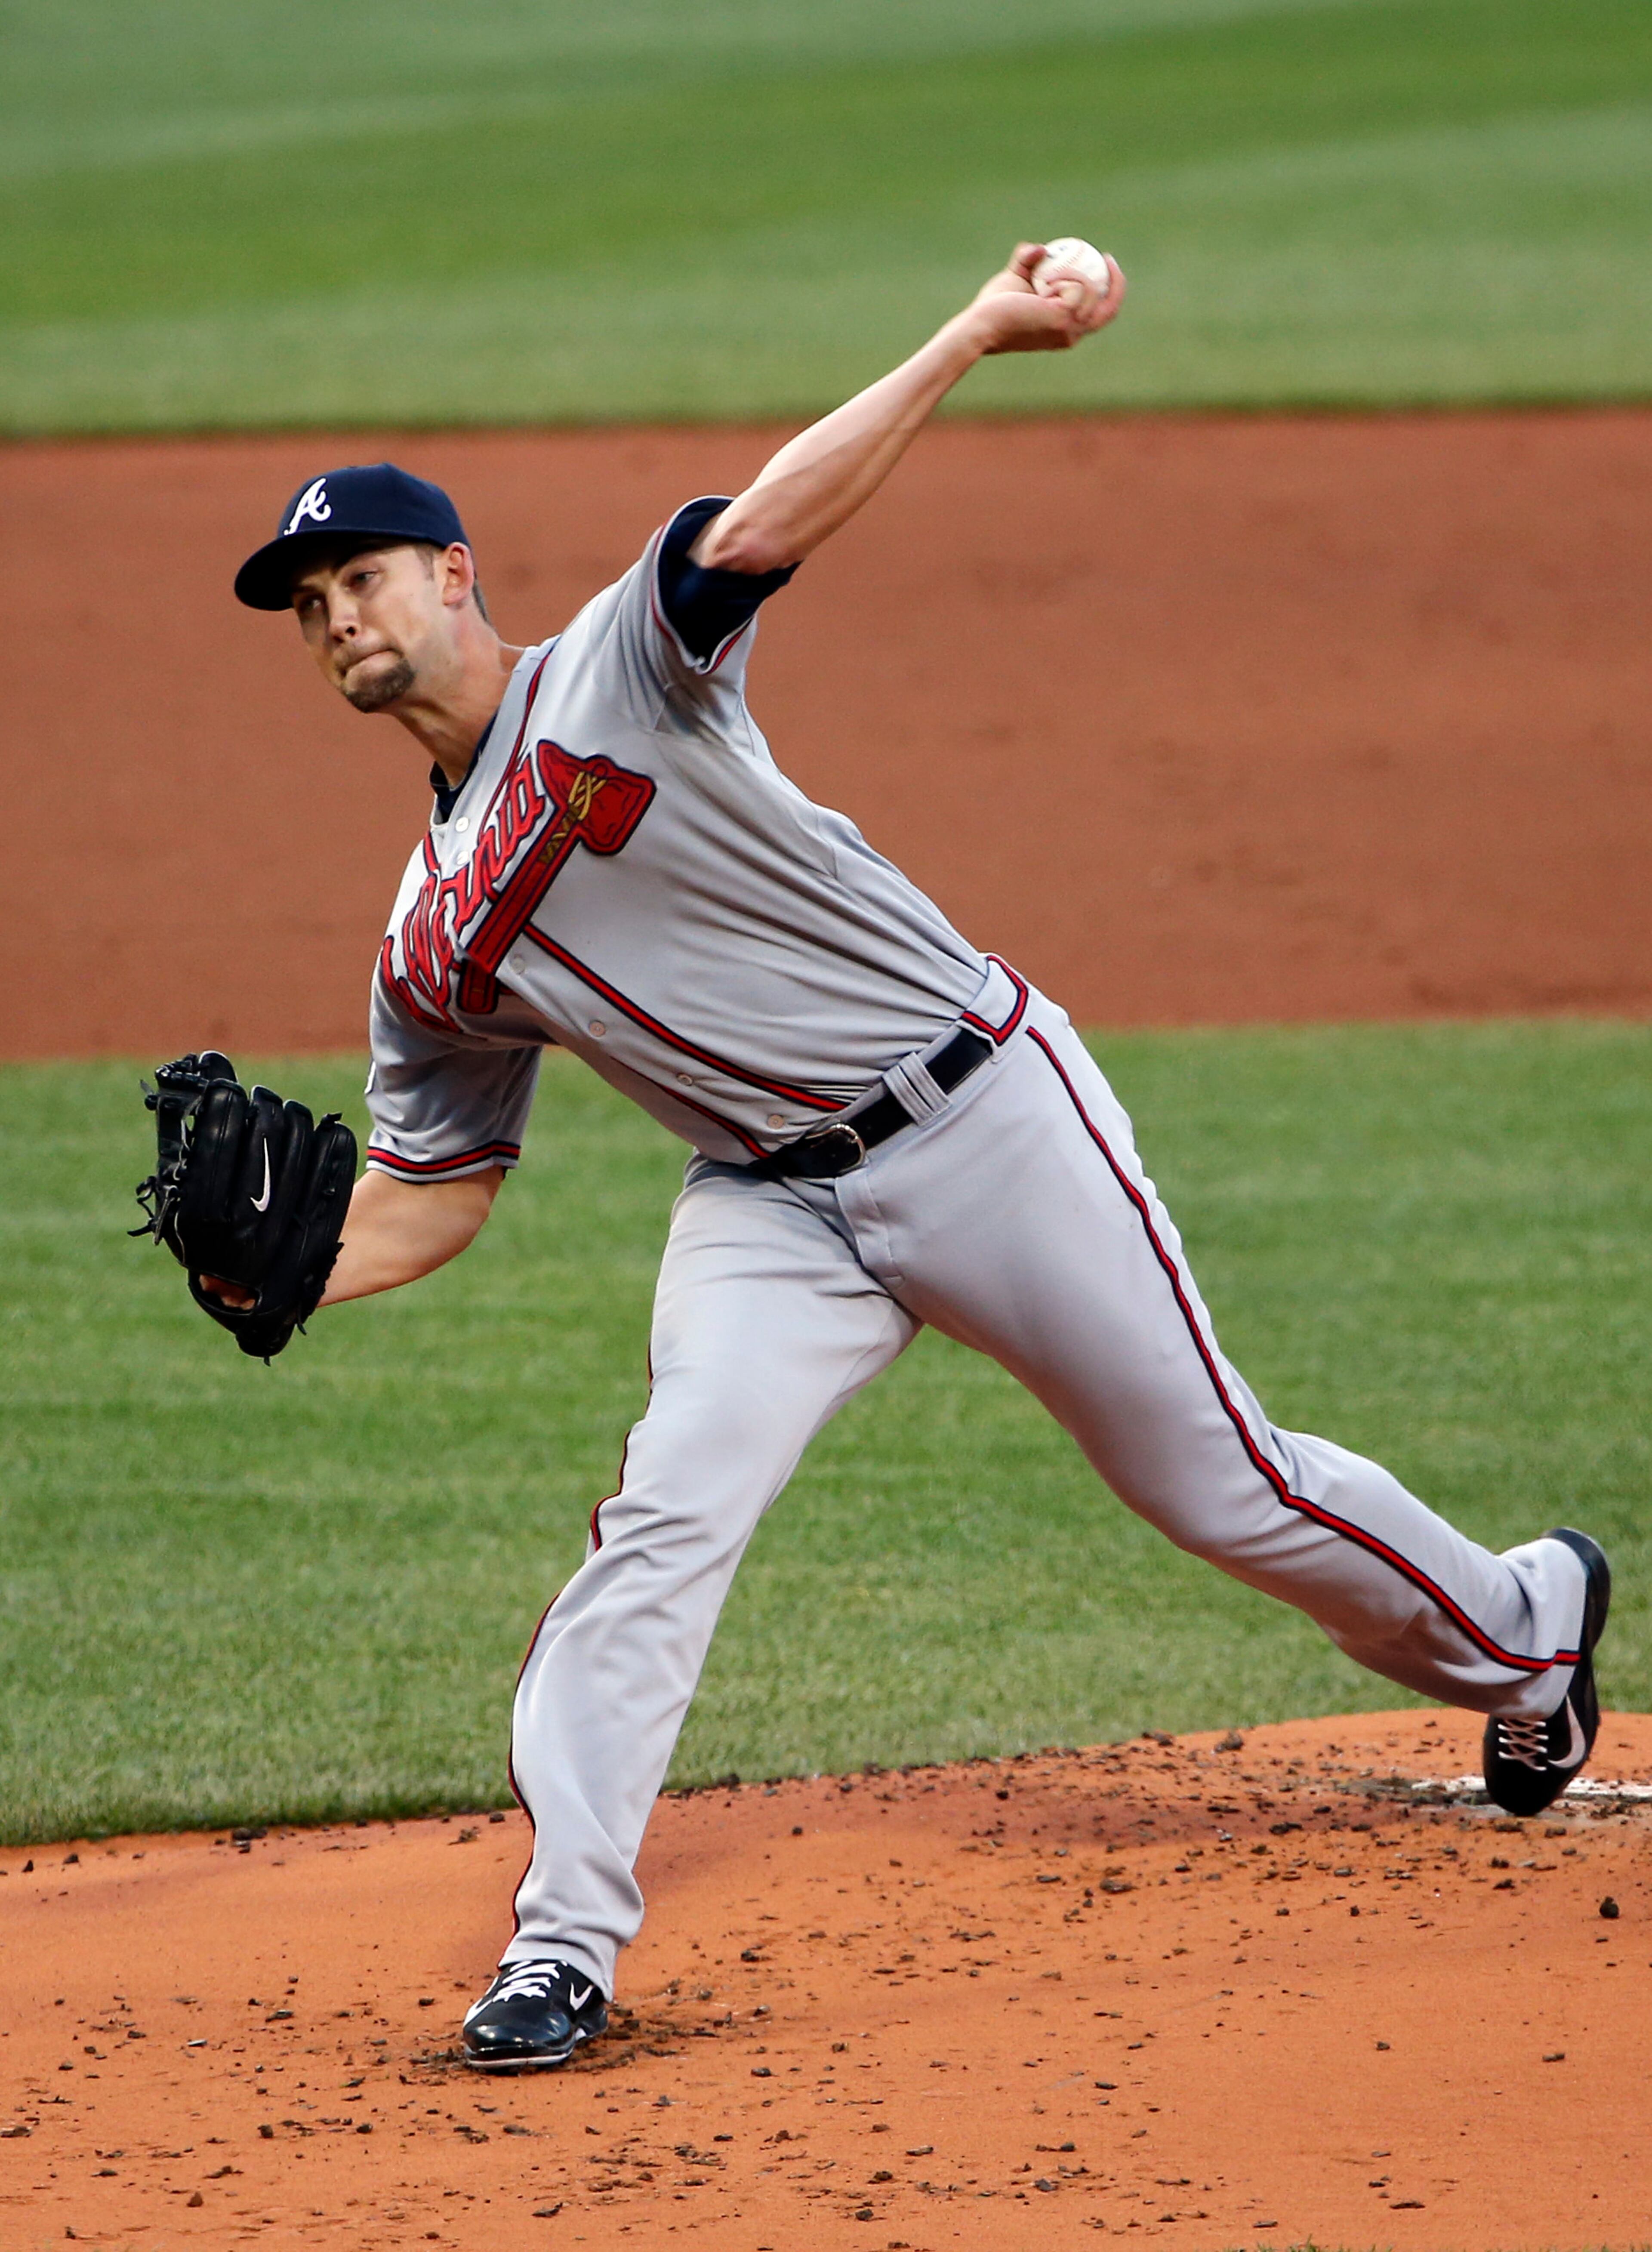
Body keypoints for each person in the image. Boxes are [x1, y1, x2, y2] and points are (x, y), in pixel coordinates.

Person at [228, 244, 1609, 2074]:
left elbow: (763, 527)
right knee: (662, 1523)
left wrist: (971, 333)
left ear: (455, 574)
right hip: (768, 1209)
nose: (336, 614)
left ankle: (1528, 1627)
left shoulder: (622, 671)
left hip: (982, 1113)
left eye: (364, 574)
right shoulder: (425, 941)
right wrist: (292, 1273)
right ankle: (560, 1942)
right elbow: (437, 1184)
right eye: (308, 597)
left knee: (1222, 1488)